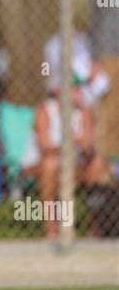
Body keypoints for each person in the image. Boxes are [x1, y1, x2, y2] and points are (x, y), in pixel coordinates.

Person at [21, 78, 110, 239]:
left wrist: (83, 143)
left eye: (79, 88)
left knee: (97, 165)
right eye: (73, 88)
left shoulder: (83, 111)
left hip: (71, 164)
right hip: (42, 165)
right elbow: (45, 148)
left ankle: (95, 228)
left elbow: (88, 147)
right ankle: (52, 229)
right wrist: (73, 141)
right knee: (51, 165)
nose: (78, 93)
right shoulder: (45, 110)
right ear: (58, 91)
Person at [90, 0, 119, 158]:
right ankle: (106, 171)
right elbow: (95, 19)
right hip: (110, 54)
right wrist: (95, 58)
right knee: (109, 112)